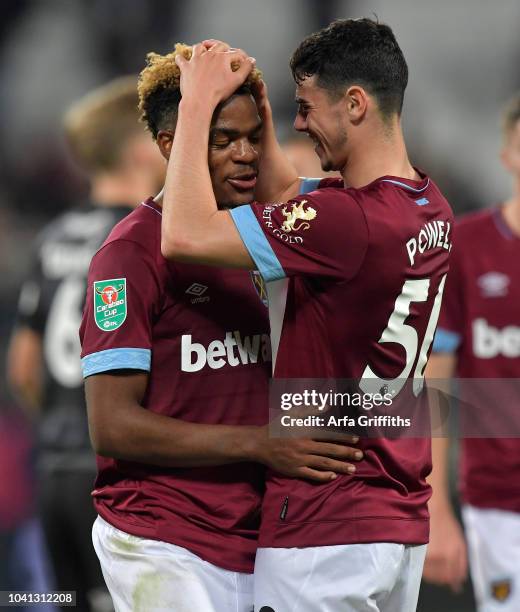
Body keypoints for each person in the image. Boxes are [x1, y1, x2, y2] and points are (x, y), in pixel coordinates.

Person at [160, 19, 454, 611]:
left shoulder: (350, 222)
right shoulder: (427, 203)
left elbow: (184, 235)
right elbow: (292, 201)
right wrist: (264, 117)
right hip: (393, 514)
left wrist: (194, 108)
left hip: (327, 523)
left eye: (305, 107)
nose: (296, 123)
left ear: (354, 104)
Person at [79, 43, 361, 612]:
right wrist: (260, 444)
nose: (246, 154)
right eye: (223, 139)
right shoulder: (129, 254)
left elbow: (349, 206)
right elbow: (111, 425)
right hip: (161, 536)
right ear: (171, 145)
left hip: (256, 537)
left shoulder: (257, 239)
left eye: (253, 136)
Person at [7, 75, 164, 612]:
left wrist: (60, 430)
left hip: (53, 468)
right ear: (145, 150)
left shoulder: (54, 237)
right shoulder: (148, 238)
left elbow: (24, 368)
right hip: (117, 473)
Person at [423, 93, 520, 611]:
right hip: (497, 503)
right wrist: (436, 509)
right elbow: (435, 381)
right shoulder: (466, 247)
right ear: (507, 153)